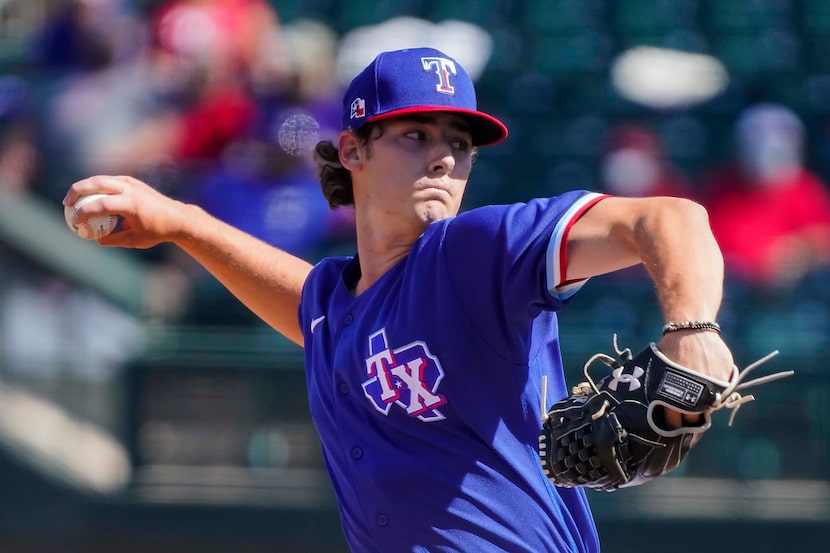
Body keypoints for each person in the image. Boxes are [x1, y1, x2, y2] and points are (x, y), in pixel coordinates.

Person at [64, 47, 735, 553]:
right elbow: (310, 307)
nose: (444, 158)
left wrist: (694, 325)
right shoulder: (337, 301)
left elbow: (671, 219)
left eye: (459, 143)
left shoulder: (476, 250)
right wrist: (184, 221)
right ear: (352, 149)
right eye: (416, 135)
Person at [697, 102, 830, 288]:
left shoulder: (805, 189)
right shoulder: (720, 186)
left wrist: (796, 253)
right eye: (757, 148)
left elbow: (821, 242)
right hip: (723, 285)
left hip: (779, 295)